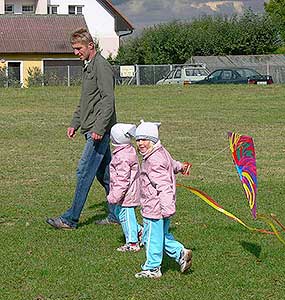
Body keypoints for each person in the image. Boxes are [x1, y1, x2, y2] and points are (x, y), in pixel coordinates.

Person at [46, 28, 117, 229]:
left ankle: (70, 219)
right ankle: (117, 214)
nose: (75, 52)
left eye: (78, 48)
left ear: (90, 46)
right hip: (90, 128)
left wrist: (99, 128)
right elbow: (85, 101)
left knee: (84, 171)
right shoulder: (88, 66)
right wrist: (74, 123)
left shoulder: (101, 66)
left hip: (97, 131)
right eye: (74, 49)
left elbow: (108, 100)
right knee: (105, 174)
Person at [134, 120, 192, 279]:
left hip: (155, 207)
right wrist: (180, 167)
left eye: (144, 139)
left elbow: (163, 186)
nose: (140, 143)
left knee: (152, 237)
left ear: (153, 140)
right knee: (160, 235)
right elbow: (171, 164)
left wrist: (167, 209)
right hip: (161, 207)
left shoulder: (153, 160)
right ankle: (181, 253)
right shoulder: (160, 152)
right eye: (138, 140)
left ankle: (152, 268)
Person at [107, 123, 142, 252]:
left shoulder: (123, 157)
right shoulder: (126, 151)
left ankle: (132, 243)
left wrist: (114, 195)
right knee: (118, 212)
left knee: (126, 215)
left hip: (128, 192)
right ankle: (139, 231)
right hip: (128, 191)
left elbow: (123, 180)